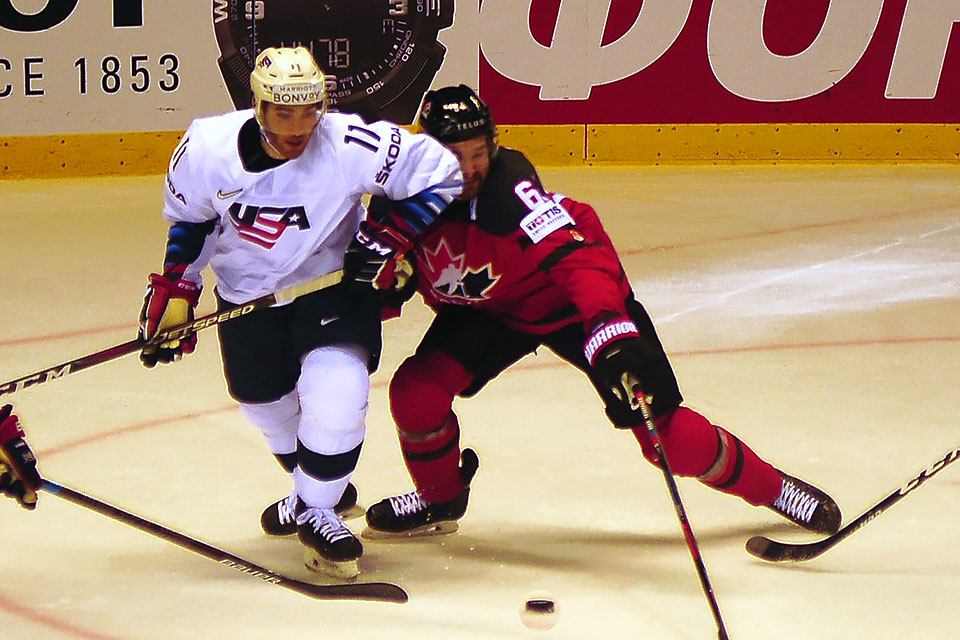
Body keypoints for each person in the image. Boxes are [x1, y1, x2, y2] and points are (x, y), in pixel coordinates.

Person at [351, 85, 842, 539]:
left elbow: (577, 259)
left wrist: (609, 327)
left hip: (568, 304)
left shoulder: (510, 191)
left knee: (668, 439)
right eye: (454, 157)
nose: (470, 169)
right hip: (491, 310)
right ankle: (440, 501)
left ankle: (775, 488)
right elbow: (380, 284)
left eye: (479, 153)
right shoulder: (401, 205)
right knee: (416, 392)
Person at [138, 47, 461, 577]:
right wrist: (178, 288)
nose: (298, 126)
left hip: (329, 288)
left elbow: (441, 174)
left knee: (338, 393)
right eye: (283, 112)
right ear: (259, 106)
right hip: (247, 296)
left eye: (309, 111)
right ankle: (321, 484)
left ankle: (317, 508)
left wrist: (386, 239)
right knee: (260, 398)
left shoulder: (350, 144)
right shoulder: (205, 148)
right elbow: (192, 223)